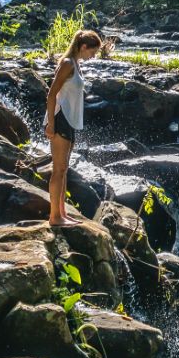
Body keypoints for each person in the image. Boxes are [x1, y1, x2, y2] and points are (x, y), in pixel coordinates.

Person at [45, 29, 102, 226]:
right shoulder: (68, 64)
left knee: (64, 169)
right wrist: (51, 124)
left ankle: (62, 213)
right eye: (92, 52)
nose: (93, 56)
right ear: (83, 46)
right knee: (58, 169)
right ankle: (55, 217)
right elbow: (51, 94)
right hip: (60, 119)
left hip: (70, 120)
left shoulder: (75, 64)